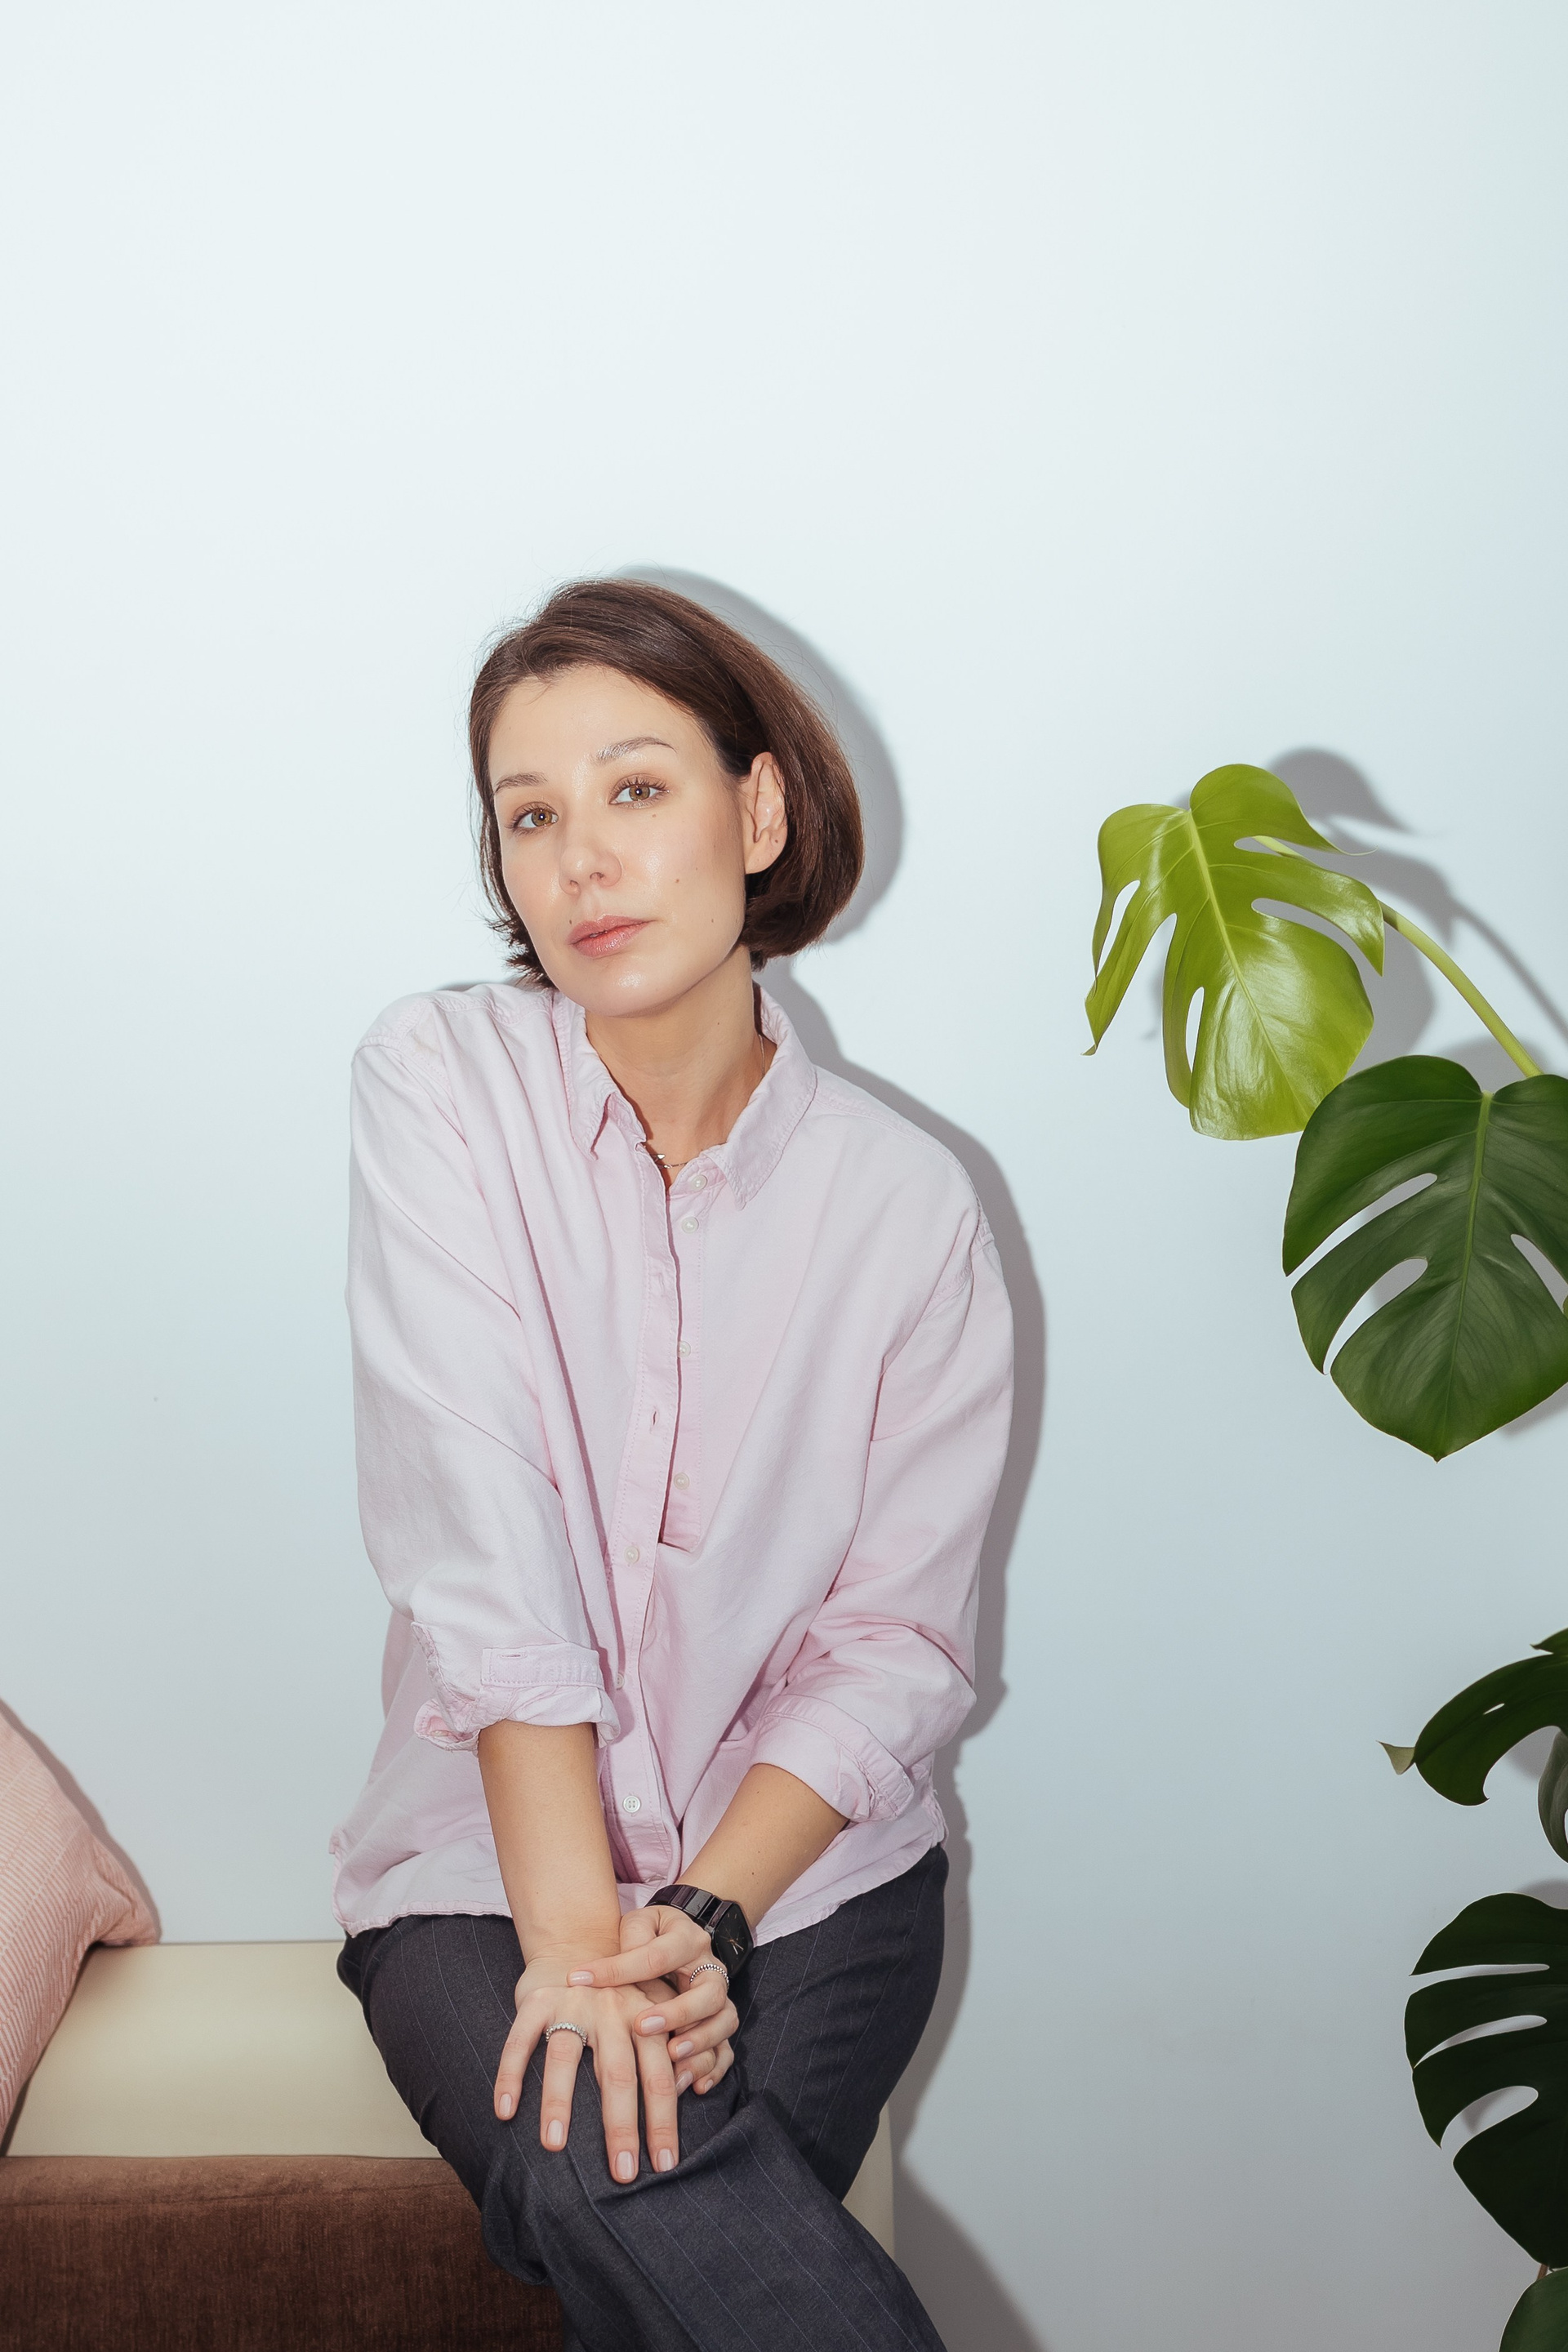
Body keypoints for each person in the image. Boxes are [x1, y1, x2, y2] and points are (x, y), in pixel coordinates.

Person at [331, 579, 1013, 2351]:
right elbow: (479, 1541)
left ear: (759, 810)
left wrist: (706, 1911)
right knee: (624, 2168)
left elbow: (896, 1646)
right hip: (483, 1875)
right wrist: (582, 1949)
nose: (581, 862)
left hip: (810, 1885)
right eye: (529, 817)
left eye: (636, 789)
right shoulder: (439, 1083)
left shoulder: (911, 1207)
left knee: (652, 2222)